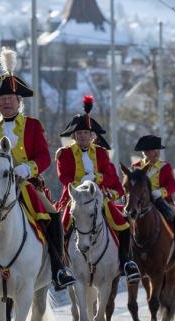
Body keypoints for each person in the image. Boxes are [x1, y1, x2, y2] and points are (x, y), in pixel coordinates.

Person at [0, 47, 75, 290]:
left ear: (19, 102)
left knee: (52, 216)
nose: (7, 102)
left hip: (26, 184)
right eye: (2, 100)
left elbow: (43, 156)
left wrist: (28, 169)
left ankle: (59, 268)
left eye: (11, 99)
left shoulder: (32, 125)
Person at [54, 96, 140, 283]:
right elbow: (64, 177)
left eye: (86, 133)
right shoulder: (64, 154)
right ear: (74, 136)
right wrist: (81, 183)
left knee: (123, 225)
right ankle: (60, 267)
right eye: (79, 133)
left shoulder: (101, 153)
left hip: (99, 197)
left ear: (93, 136)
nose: (83, 136)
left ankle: (126, 261)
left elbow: (112, 179)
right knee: (61, 226)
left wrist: (97, 179)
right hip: (74, 197)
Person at [131, 134, 175, 266]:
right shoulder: (136, 167)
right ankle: (127, 256)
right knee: (125, 220)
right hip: (140, 203)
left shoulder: (165, 167)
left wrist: (161, 192)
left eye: (157, 150)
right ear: (145, 152)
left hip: (161, 201)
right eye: (153, 150)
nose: (156, 153)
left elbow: (172, 185)